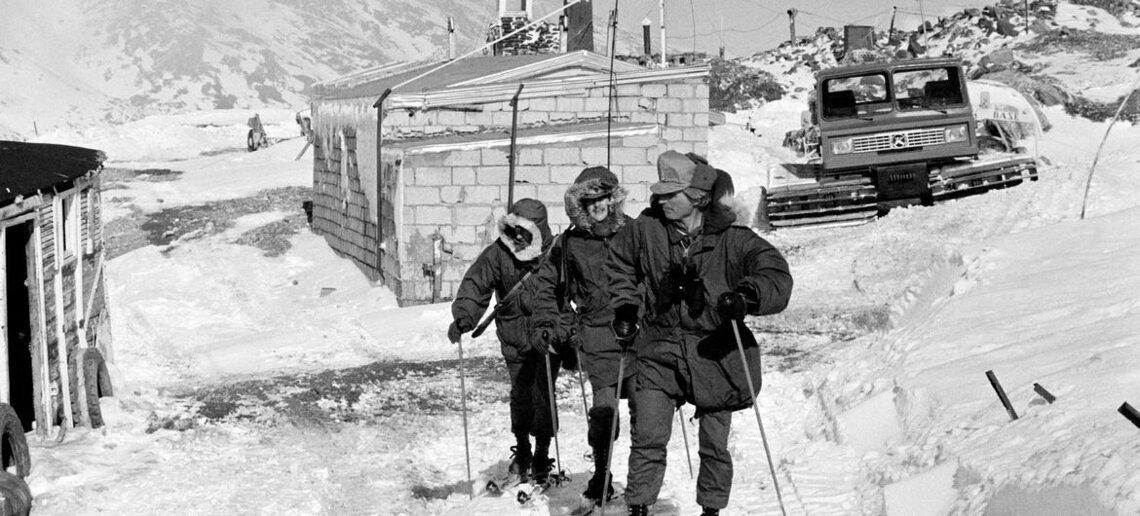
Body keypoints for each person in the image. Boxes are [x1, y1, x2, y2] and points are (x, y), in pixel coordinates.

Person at [606, 151, 793, 516]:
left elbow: (775, 274)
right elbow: (619, 264)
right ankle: (639, 508)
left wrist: (747, 295)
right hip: (658, 347)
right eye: (658, 194)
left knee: (713, 444)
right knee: (648, 436)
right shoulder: (645, 230)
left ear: (697, 196)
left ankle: (711, 510)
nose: (661, 201)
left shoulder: (734, 238)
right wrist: (627, 306)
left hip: (715, 351)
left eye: (670, 194)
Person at [532, 166, 633, 505]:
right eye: (590, 201)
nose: (598, 206)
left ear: (613, 198)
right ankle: (602, 473)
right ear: (581, 205)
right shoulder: (569, 243)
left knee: (648, 416)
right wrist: (554, 320)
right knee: (604, 415)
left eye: (603, 198)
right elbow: (548, 285)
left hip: (640, 337)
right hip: (599, 338)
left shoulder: (636, 232)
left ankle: (642, 488)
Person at [447, 198, 564, 483]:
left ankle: (542, 453)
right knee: (520, 394)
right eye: (517, 229)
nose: (520, 236)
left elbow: (575, 287)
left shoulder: (557, 253)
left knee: (543, 394)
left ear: (540, 229)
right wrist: (464, 316)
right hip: (512, 336)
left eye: (527, 231)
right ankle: (523, 448)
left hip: (547, 336)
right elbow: (477, 283)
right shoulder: (499, 253)